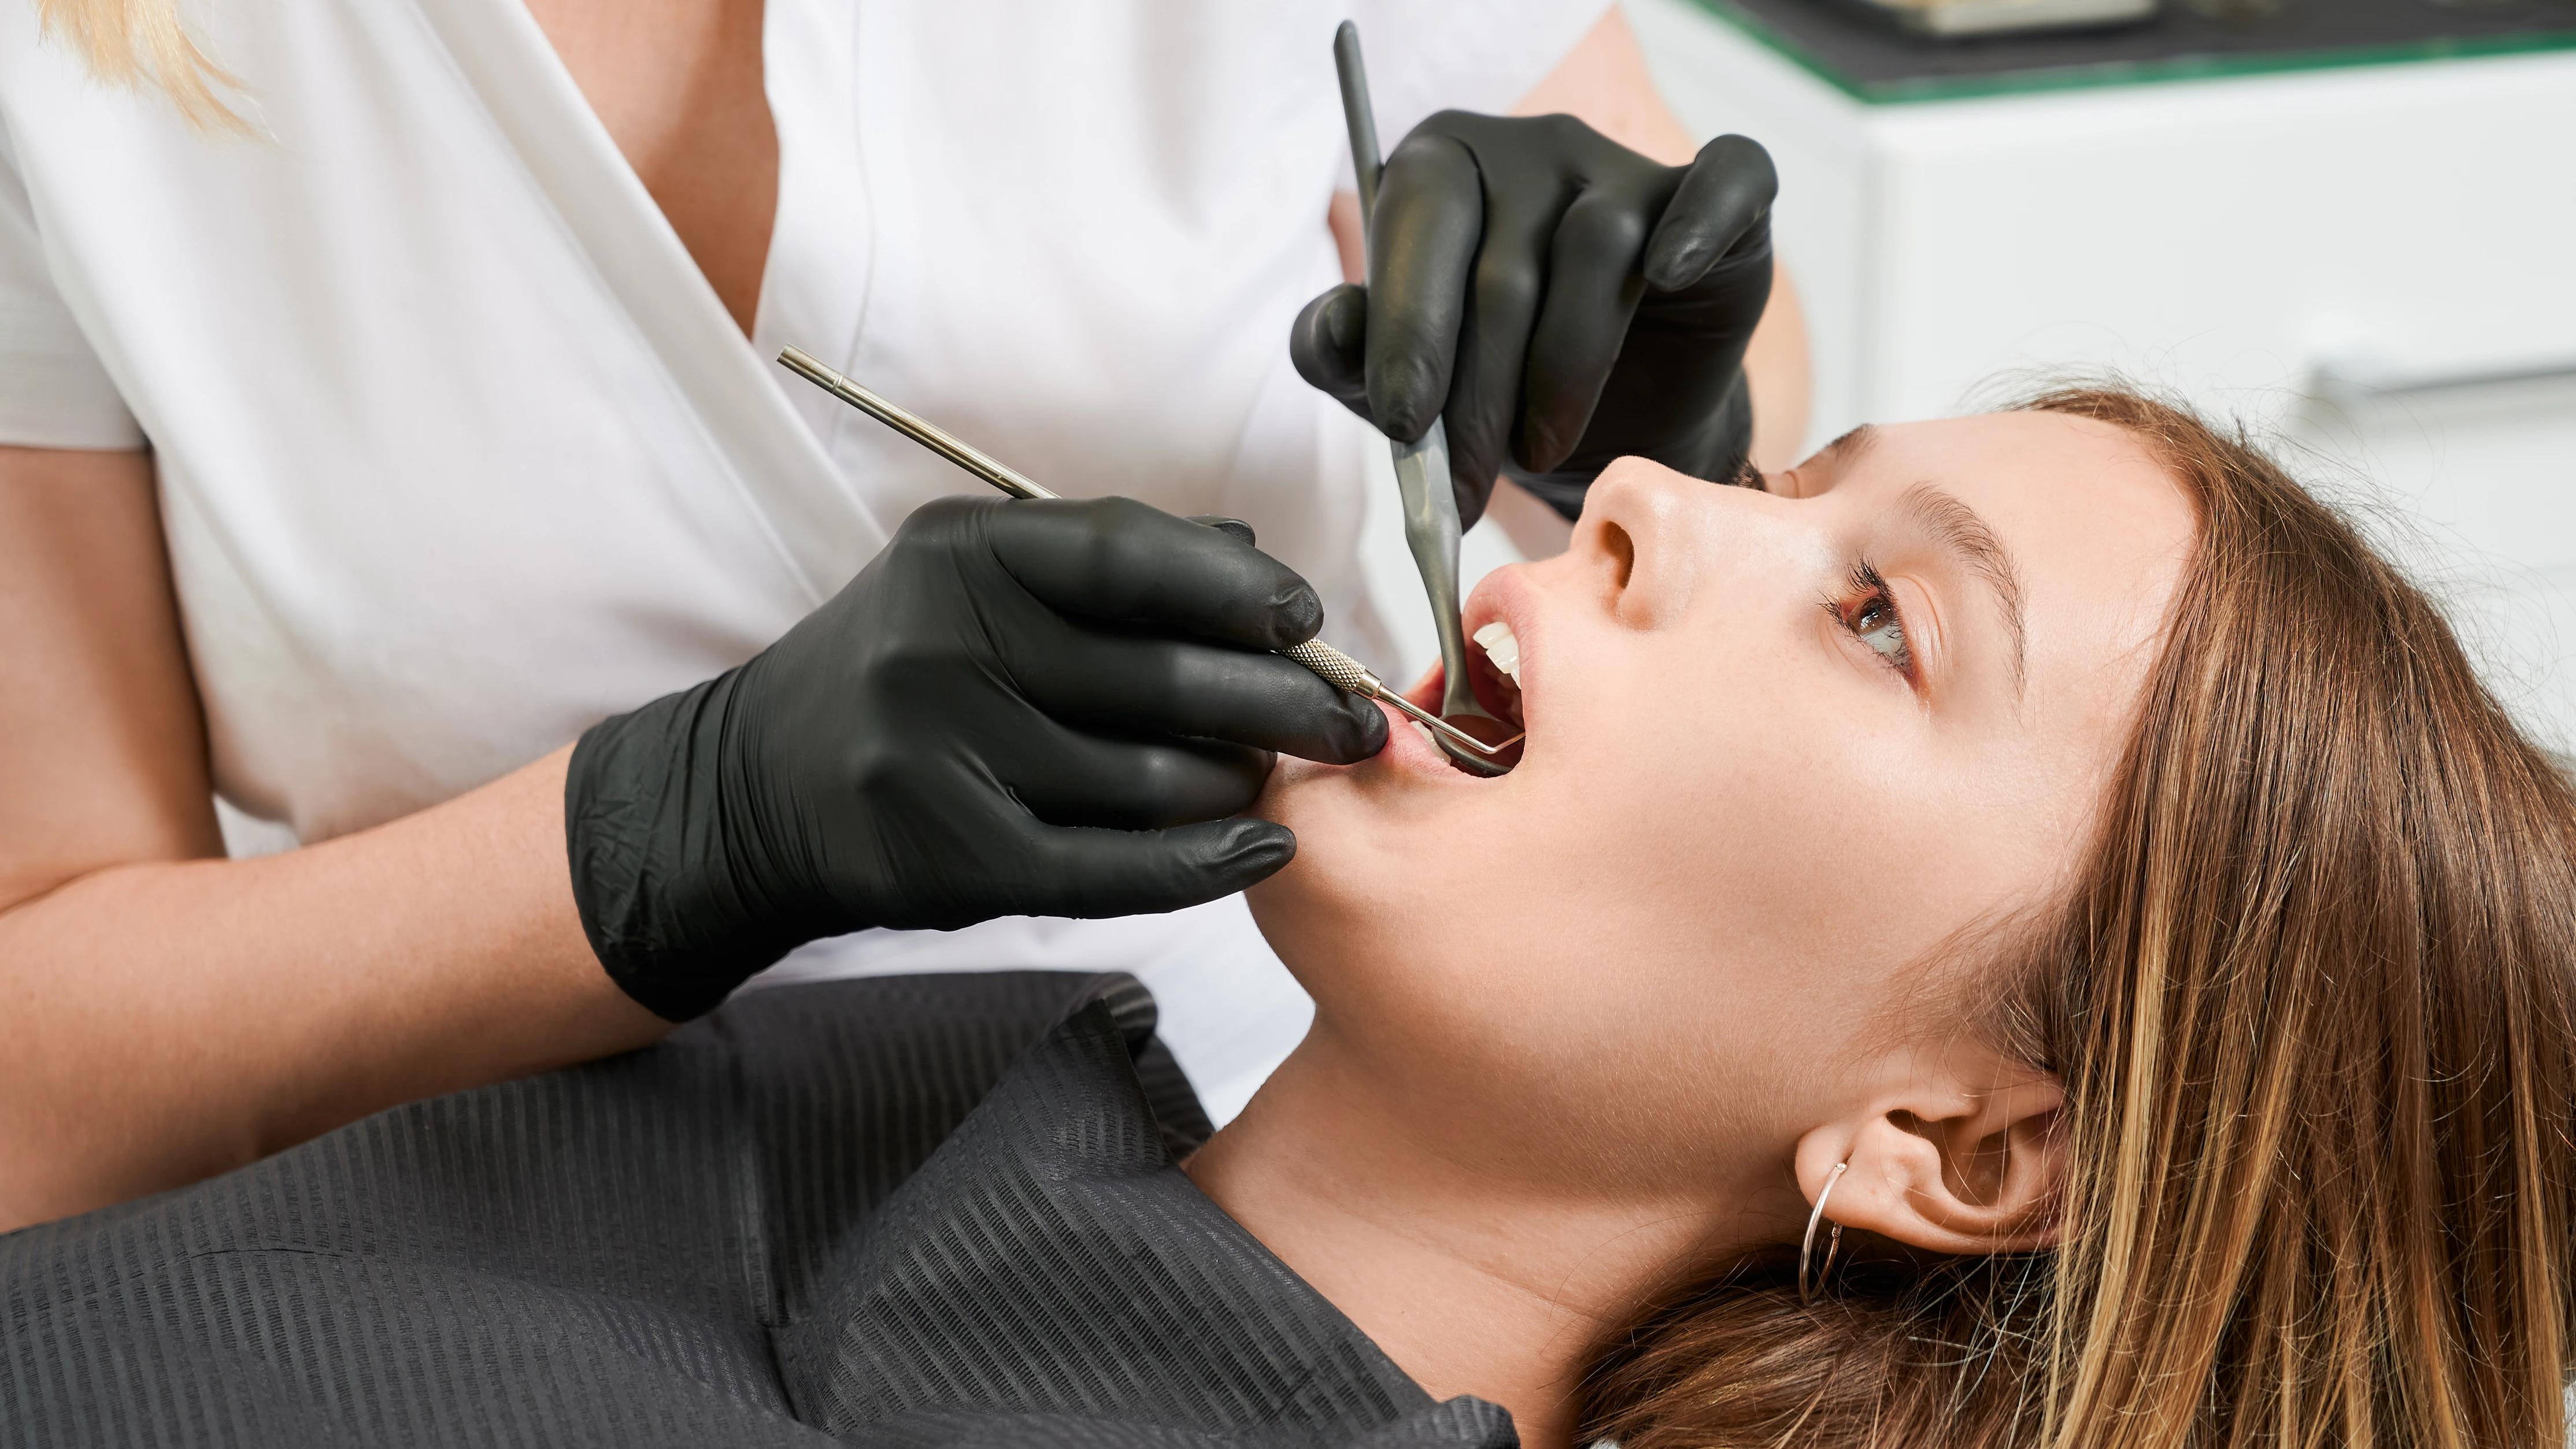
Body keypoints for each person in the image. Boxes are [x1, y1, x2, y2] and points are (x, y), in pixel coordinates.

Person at [8, 385, 2566, 1449]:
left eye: (1883, 616)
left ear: (1951, 1138)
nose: (1652, 491)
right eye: (1799, 466)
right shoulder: (894, 1092)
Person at [0, 0, 1809, 1231]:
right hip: (526, 1275)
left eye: (1886, 619)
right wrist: (658, 838)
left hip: (1317, 1185)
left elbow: (1734, 403)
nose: (1649, 547)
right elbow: (41, 1084)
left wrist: (1652, 418)